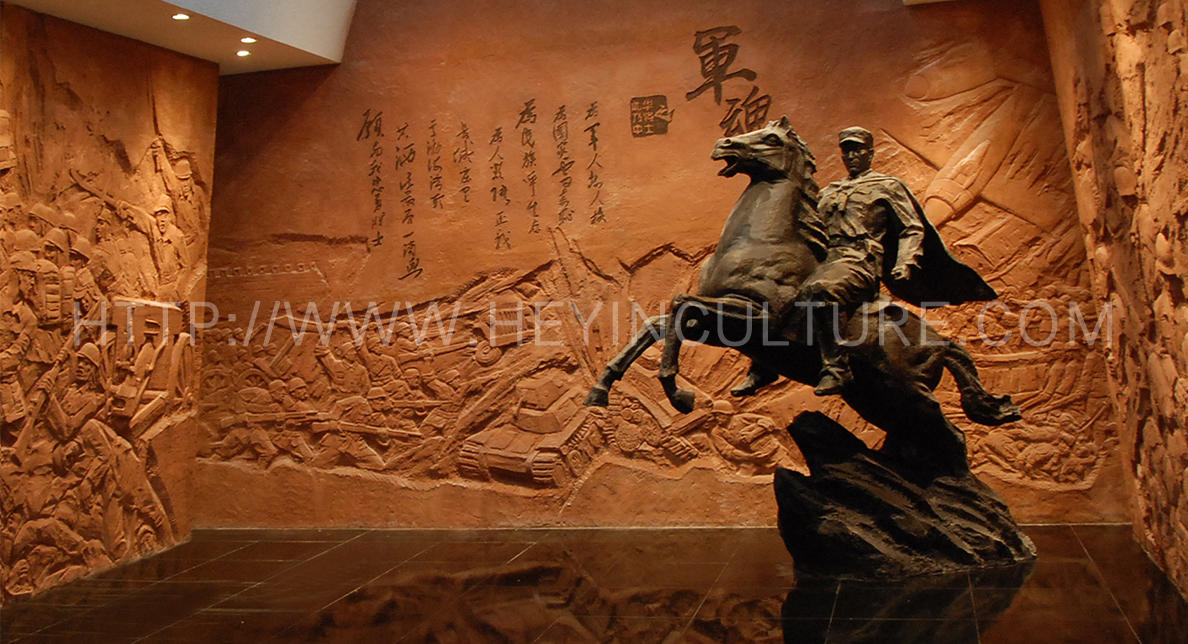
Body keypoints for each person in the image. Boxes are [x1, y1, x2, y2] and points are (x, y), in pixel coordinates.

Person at [795, 127, 996, 395]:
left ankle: (836, 367)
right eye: (847, 151)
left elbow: (911, 228)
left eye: (858, 150)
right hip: (828, 260)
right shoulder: (830, 191)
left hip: (860, 262)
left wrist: (904, 262)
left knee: (821, 290)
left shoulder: (887, 186)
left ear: (870, 153)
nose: (851, 156)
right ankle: (763, 367)